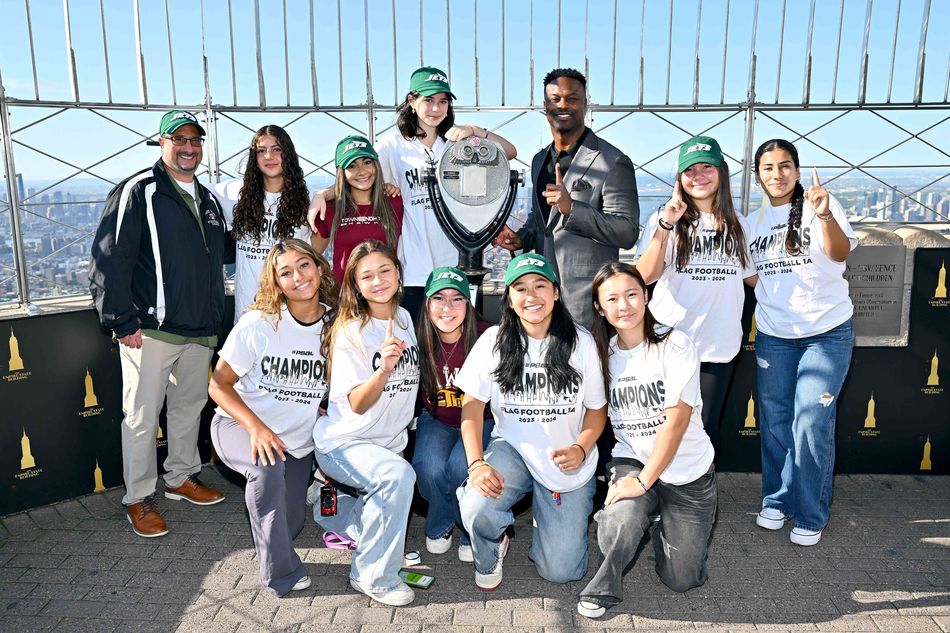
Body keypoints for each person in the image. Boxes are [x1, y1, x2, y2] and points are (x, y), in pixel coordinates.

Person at [89, 110, 228, 538]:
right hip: (149, 329)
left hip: (199, 328)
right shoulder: (139, 190)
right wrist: (120, 320)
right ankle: (138, 497)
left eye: (195, 140)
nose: (188, 147)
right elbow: (109, 259)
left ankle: (181, 478)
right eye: (178, 139)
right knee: (142, 418)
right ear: (161, 142)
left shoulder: (207, 199)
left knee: (188, 409)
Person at [310, 66, 517, 318]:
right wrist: (323, 194)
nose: (435, 109)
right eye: (428, 100)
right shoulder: (392, 145)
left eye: (443, 102)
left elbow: (508, 152)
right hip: (413, 265)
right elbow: (362, 176)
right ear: (412, 101)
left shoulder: (457, 143)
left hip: (456, 258)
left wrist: (475, 130)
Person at [455, 253, 607, 590]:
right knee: (477, 505)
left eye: (540, 285)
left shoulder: (580, 342)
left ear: (555, 292)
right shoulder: (493, 341)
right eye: (520, 288)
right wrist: (477, 464)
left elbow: (597, 410)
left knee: (562, 571)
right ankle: (491, 548)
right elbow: (471, 408)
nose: (531, 295)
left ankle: (548, 520)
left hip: (565, 460)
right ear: (509, 297)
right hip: (514, 450)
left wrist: (582, 448)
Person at [576, 263, 717, 619]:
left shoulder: (676, 343)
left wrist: (643, 483)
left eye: (631, 294)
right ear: (599, 307)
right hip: (633, 459)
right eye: (612, 299)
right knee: (621, 518)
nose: (624, 306)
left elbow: (677, 422)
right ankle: (604, 587)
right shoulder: (601, 355)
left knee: (682, 579)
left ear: (646, 296)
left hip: (686, 470)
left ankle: (658, 522)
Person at [208, 240, 336, 597]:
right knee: (265, 471)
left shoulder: (335, 324)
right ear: (276, 282)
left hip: (295, 444)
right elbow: (218, 384)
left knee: (290, 523)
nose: (298, 277)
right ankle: (280, 574)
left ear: (319, 267)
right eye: (285, 272)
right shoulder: (258, 325)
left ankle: (271, 529)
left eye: (304, 265)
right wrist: (256, 428)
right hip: (240, 426)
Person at [748, 139, 857, 547]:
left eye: (785, 166)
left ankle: (811, 511)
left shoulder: (820, 206)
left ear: (797, 170)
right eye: (768, 168)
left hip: (827, 333)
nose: (777, 174)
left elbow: (840, 252)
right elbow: (751, 275)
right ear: (758, 175)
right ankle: (777, 499)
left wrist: (826, 215)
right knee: (775, 421)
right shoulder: (751, 222)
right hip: (775, 336)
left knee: (810, 423)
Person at [312, 240, 421, 606]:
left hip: (386, 443)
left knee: (391, 480)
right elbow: (357, 403)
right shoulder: (351, 330)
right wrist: (384, 369)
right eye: (367, 276)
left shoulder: (404, 319)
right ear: (356, 285)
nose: (378, 281)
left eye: (385, 271)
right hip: (346, 443)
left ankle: (339, 514)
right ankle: (372, 575)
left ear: (398, 273)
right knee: (396, 478)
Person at [634, 136, 755, 454]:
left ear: (722, 172)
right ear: (679, 178)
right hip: (669, 346)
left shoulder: (739, 225)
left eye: (707, 167)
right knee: (659, 429)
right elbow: (645, 275)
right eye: (690, 169)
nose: (699, 175)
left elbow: (756, 279)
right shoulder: (664, 219)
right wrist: (666, 223)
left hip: (717, 348)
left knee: (702, 434)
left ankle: (695, 503)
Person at [494, 68, 639, 329]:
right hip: (543, 300)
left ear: (585, 103)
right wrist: (520, 238)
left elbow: (627, 231)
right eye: (555, 99)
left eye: (572, 98)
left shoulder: (612, 161)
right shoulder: (539, 160)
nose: (563, 105)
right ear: (545, 105)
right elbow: (543, 222)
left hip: (589, 303)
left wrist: (572, 209)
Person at [412, 266, 493, 563]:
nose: (448, 307)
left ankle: (468, 528)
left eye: (457, 298)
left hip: (481, 419)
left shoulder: (486, 336)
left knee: (462, 467)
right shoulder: (418, 337)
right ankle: (443, 520)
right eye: (439, 298)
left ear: (468, 304)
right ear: (428, 304)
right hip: (438, 419)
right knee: (428, 467)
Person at [215, 125, 315, 324]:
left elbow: (346, 192)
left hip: (290, 313)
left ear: (288, 153)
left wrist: (324, 194)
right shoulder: (234, 193)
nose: (268, 156)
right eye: (261, 151)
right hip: (246, 315)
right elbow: (189, 188)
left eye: (276, 149)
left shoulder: (309, 199)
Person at [312, 135, 404, 282]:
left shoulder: (395, 202)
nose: (362, 171)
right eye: (352, 166)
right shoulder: (330, 209)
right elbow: (312, 255)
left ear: (376, 165)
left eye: (367, 162)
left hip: (384, 294)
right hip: (345, 299)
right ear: (342, 172)